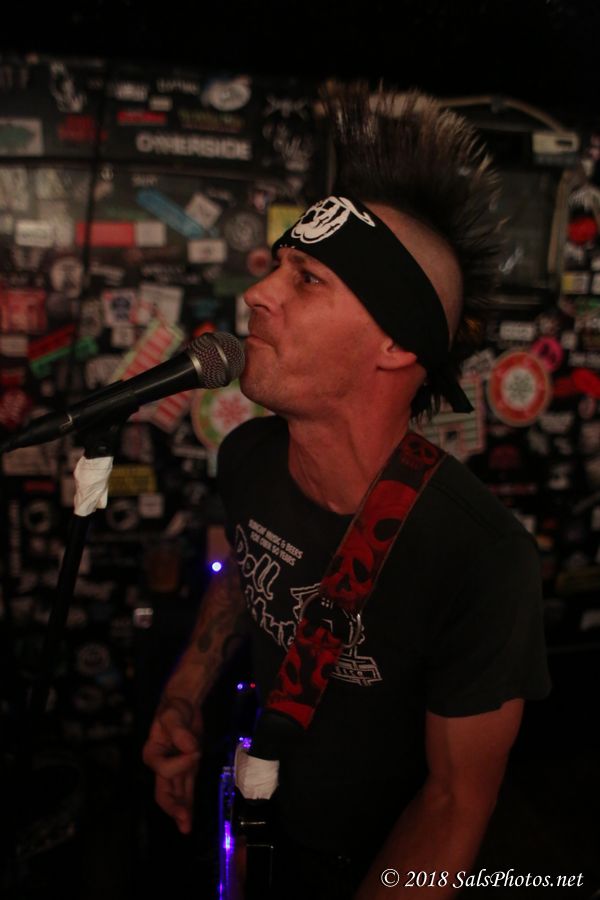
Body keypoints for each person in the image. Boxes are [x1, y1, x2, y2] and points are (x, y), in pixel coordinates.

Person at [142, 83, 551, 899]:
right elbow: (246, 573)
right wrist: (185, 694)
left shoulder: (480, 555)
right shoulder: (248, 455)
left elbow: (453, 804)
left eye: (307, 279)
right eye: (276, 268)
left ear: (394, 344)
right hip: (263, 832)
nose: (259, 293)